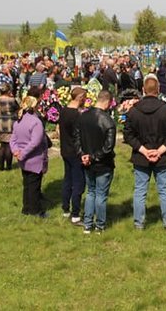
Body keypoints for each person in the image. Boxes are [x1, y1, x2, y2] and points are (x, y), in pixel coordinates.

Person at [123, 75, 166, 231]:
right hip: (162, 156)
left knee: (140, 191)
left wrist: (144, 150)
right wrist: (160, 150)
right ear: (159, 90)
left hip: (142, 156)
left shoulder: (133, 111)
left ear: (143, 90)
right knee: (165, 190)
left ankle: (138, 224)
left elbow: (128, 135)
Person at [74, 90, 117, 234]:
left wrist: (83, 155)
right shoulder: (108, 121)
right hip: (102, 163)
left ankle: (87, 224)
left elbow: (77, 139)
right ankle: (99, 225)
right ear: (108, 102)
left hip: (88, 161)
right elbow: (108, 147)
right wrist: (90, 157)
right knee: (100, 195)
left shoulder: (83, 117)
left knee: (91, 192)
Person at [11, 96, 50, 218]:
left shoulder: (19, 121)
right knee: (34, 186)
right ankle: (36, 210)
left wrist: (16, 151)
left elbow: (13, 139)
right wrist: (23, 153)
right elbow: (35, 142)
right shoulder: (36, 122)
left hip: (23, 159)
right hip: (34, 158)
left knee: (27, 184)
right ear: (34, 106)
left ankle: (26, 208)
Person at [58, 87, 86, 223]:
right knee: (78, 183)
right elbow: (79, 135)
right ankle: (75, 214)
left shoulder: (63, 111)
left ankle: (65, 208)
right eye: (84, 98)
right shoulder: (76, 115)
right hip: (75, 152)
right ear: (80, 98)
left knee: (67, 179)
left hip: (65, 150)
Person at [0, 82, 20, 172]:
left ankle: (1, 166)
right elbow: (17, 108)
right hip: (10, 122)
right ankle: (8, 166)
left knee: (2, 145)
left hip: (0, 122)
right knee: (9, 145)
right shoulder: (12, 100)